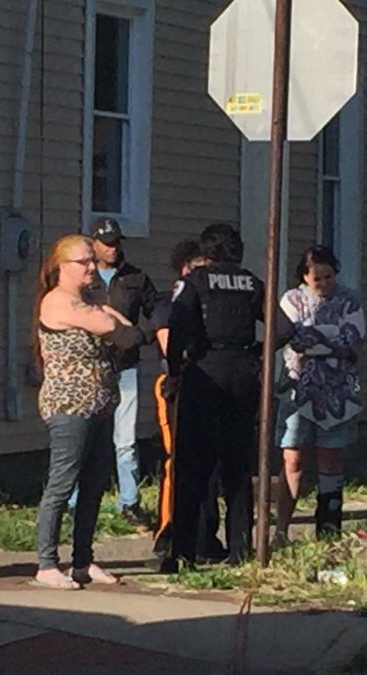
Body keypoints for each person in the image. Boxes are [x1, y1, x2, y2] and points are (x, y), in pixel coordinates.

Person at [166, 223, 291, 566]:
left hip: (205, 371)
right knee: (238, 466)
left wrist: (175, 371)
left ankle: (184, 552)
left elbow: (177, 328)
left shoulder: (195, 282)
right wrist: (260, 353)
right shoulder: (252, 283)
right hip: (244, 373)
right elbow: (285, 328)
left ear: (206, 252)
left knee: (193, 466)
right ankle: (240, 549)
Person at [33, 234, 140, 589]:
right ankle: (47, 564)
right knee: (62, 484)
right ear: (63, 267)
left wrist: (101, 306)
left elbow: (131, 335)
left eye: (94, 260)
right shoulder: (58, 302)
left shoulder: (88, 302)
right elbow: (110, 327)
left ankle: (82, 560)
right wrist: (102, 309)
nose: (93, 267)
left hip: (101, 404)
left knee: (94, 485)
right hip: (69, 406)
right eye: (85, 262)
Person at [273, 245, 366, 544]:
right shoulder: (291, 299)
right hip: (298, 389)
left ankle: (328, 532)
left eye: (329, 277)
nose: (324, 283)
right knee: (292, 458)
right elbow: (293, 338)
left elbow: (352, 339)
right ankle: (281, 531)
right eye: (317, 279)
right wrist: (329, 339)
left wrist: (316, 338)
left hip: (337, 391)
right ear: (304, 276)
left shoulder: (350, 299)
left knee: (331, 460)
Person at [71, 217, 158, 524]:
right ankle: (74, 501)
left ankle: (129, 501)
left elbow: (157, 311)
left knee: (126, 438)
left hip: (125, 366)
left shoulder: (135, 278)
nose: (112, 249)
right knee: (84, 435)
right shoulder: (81, 279)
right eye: (106, 243)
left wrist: (142, 336)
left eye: (116, 242)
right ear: (93, 244)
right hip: (89, 369)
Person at [149, 237, 226, 568]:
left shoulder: (209, 302)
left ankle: (206, 536)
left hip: (207, 387)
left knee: (210, 470)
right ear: (185, 269)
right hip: (176, 385)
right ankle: (169, 533)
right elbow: (169, 346)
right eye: (198, 269)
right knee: (177, 462)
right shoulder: (171, 303)